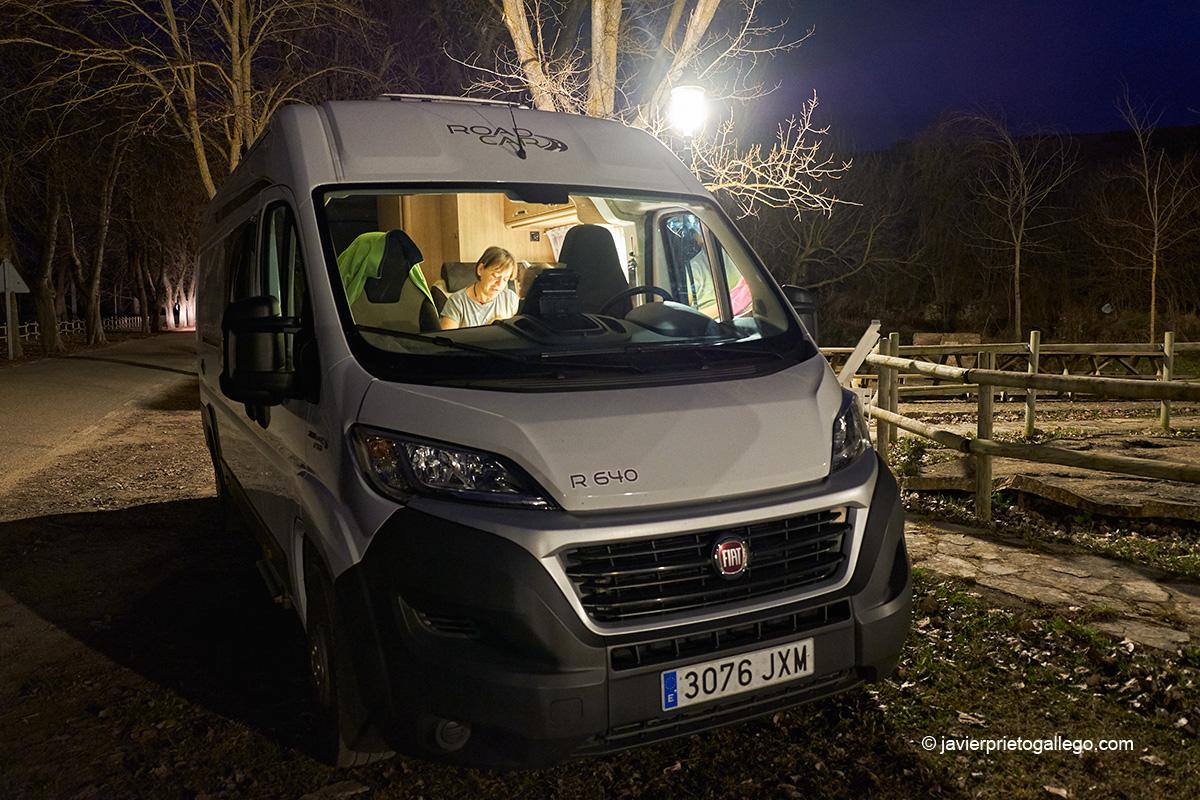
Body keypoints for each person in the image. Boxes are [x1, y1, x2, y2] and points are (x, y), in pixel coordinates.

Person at [439, 246, 519, 329]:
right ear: (480, 269)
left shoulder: (511, 300)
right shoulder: (457, 302)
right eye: (495, 276)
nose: (500, 284)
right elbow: (448, 339)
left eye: (505, 279)